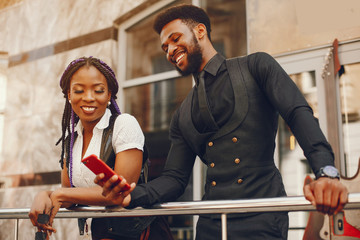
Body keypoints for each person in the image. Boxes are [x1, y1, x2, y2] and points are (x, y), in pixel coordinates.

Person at [95, 4, 349, 240]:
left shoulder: (256, 66)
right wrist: (131, 193)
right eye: (164, 48)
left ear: (200, 31)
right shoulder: (181, 114)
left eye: (175, 39)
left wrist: (325, 171)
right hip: (210, 222)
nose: (170, 50)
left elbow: (297, 112)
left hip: (263, 215)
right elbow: (174, 178)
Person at [28, 56, 173, 240]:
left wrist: (59, 194)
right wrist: (46, 194)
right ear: (69, 94)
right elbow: (70, 196)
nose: (89, 98)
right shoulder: (70, 139)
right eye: (79, 90)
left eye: (98, 90)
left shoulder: (124, 124)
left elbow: (120, 193)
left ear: (109, 94)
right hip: (100, 233)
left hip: (137, 234)